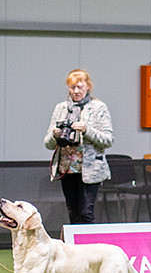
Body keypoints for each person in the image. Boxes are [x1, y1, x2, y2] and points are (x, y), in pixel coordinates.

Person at [44, 69, 114, 225]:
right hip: (67, 168)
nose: (76, 91)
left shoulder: (98, 107)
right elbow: (48, 143)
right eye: (72, 87)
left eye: (79, 87)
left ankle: (92, 248)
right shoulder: (61, 108)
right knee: (73, 212)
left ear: (88, 87)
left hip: (90, 168)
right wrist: (55, 136)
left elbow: (108, 140)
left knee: (86, 213)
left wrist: (87, 130)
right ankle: (74, 249)